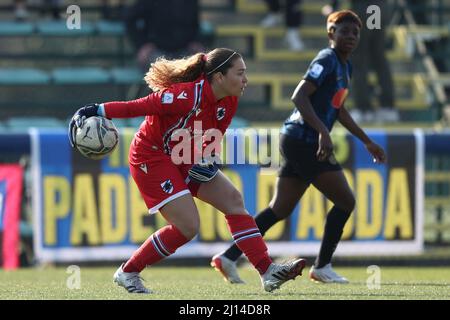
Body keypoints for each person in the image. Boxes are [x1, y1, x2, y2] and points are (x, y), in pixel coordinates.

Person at [68, 48, 306, 294]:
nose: (246, 79)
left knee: (234, 201)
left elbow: (214, 135)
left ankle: (267, 271)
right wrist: (95, 110)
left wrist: (206, 157)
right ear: (219, 77)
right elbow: (136, 107)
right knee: (188, 226)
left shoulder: (230, 99)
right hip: (151, 157)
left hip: (184, 154)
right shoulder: (185, 95)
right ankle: (128, 272)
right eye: (240, 73)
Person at [211, 11, 387, 284]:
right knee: (346, 201)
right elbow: (299, 95)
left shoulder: (346, 66)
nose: (350, 36)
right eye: (344, 31)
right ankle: (323, 266)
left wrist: (366, 140)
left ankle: (229, 256)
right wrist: (322, 132)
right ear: (331, 33)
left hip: (298, 139)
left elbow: (338, 109)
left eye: (355, 32)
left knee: (279, 208)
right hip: (303, 139)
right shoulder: (327, 59)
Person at [324, 0, 398, 123]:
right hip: (378, 8)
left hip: (363, 8)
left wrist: (333, 6)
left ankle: (363, 108)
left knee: (358, 59)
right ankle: (388, 107)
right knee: (379, 57)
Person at [124, 0, 206, 72]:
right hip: (156, 51)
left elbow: (195, 24)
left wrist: (197, 41)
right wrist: (142, 45)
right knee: (164, 72)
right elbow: (130, 19)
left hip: (184, 50)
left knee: (199, 65)